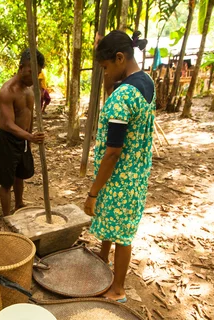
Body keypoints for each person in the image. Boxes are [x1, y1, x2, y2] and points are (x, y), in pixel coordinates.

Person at [83, 31, 154, 303]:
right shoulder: (145, 82)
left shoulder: (122, 96)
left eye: (105, 67)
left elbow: (113, 151)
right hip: (136, 171)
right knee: (117, 222)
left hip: (119, 174)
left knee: (123, 233)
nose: (105, 73)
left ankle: (118, 288)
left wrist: (93, 192)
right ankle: (102, 257)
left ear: (120, 58)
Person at [0, 49, 46, 216]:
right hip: (8, 139)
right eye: (32, 72)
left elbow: (29, 116)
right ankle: (6, 215)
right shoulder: (7, 91)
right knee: (6, 181)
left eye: (37, 73)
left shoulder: (29, 91)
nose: (34, 76)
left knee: (20, 174)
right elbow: (8, 124)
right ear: (21, 67)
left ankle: (19, 204)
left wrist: (30, 138)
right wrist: (30, 137)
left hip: (24, 139)